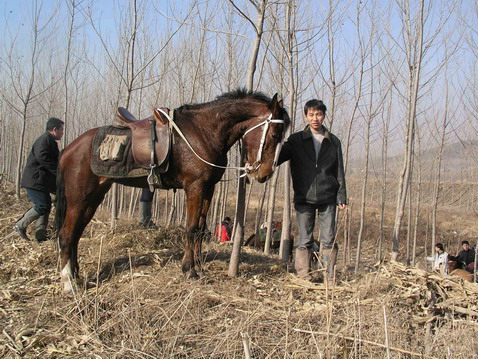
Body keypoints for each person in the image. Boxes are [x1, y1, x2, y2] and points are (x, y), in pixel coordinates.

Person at [277, 99, 347, 282]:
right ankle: (303, 277)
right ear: (305, 116)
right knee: (304, 240)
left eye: (318, 114)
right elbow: (276, 158)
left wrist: (341, 195)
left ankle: (328, 278)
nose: (315, 118)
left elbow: (339, 170)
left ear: (323, 116)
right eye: (311, 114)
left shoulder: (333, 141)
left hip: (328, 197)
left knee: (328, 240)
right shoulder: (296, 140)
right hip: (303, 196)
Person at [13, 117, 64, 242]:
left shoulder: (50, 141)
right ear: (54, 129)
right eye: (61, 130)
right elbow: (44, 159)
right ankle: (20, 225)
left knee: (46, 204)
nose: (62, 133)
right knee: (43, 205)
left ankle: (40, 233)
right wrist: (58, 173)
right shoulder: (44, 140)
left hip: (41, 181)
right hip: (35, 180)